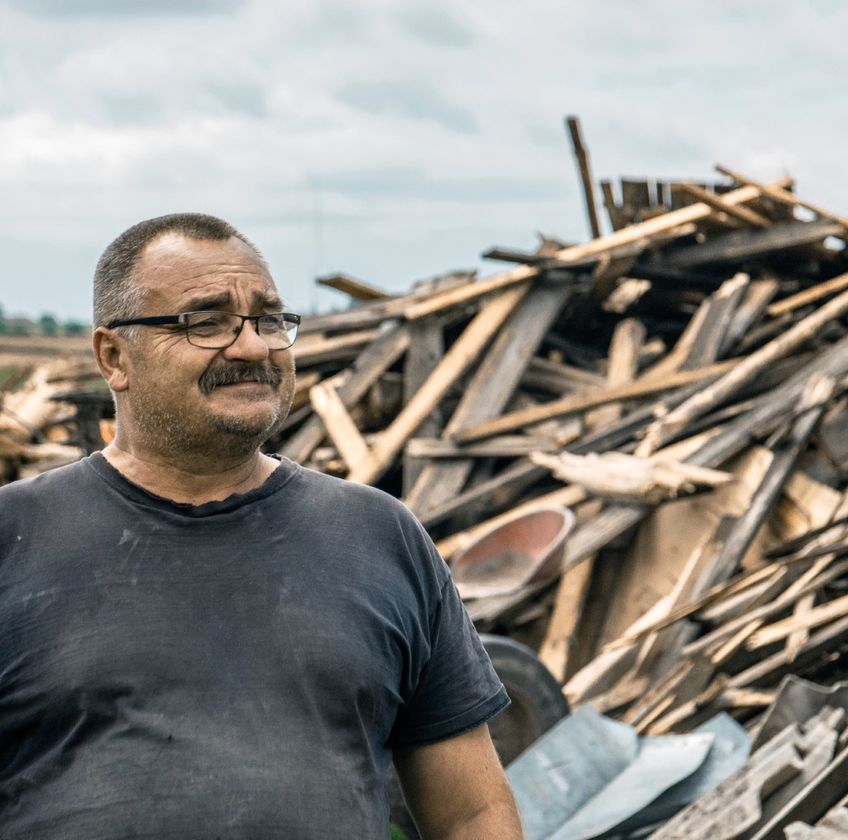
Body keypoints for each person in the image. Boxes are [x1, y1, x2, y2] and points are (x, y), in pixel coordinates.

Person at [0, 214, 524, 839]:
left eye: (269, 319)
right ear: (114, 357)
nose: (252, 347)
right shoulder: (17, 537)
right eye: (207, 321)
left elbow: (472, 815)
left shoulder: (380, 537)